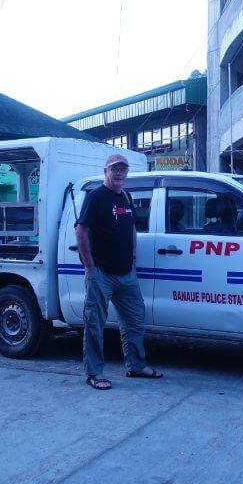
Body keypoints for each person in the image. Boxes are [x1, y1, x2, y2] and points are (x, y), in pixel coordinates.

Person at [75, 154, 162, 390]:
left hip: (126, 272)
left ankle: (136, 365)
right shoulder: (96, 197)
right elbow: (81, 231)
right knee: (94, 323)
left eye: (123, 169)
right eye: (115, 169)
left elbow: (131, 227)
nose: (120, 173)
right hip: (101, 272)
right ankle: (95, 373)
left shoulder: (125, 196)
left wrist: (133, 259)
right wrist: (89, 266)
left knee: (134, 320)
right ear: (106, 171)